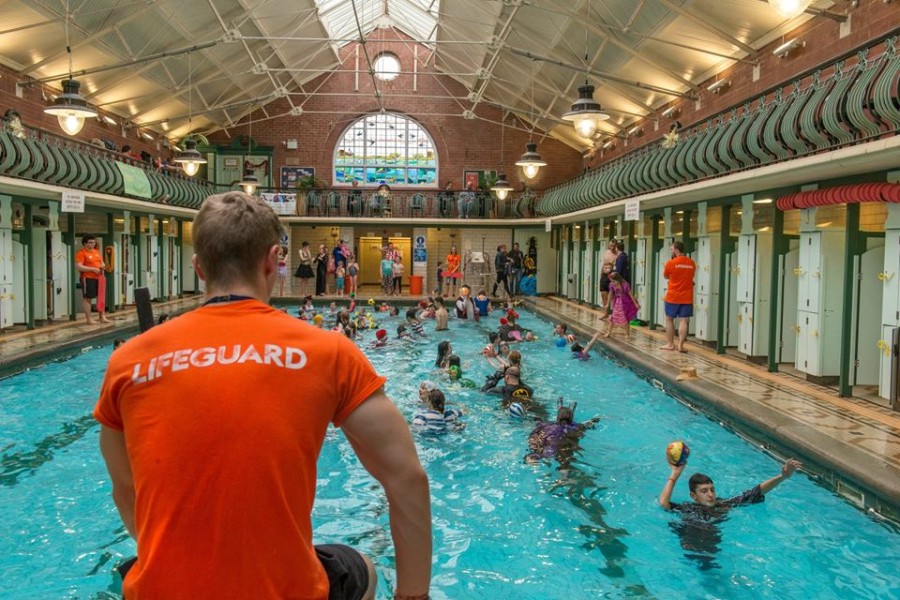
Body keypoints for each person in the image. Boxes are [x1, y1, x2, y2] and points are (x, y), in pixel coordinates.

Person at [94, 191, 431, 600]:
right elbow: (407, 479)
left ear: (199, 267)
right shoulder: (327, 351)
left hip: (158, 590)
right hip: (286, 589)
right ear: (273, 259)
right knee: (364, 569)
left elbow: (125, 489)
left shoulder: (128, 361)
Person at [525, 399, 600, 464]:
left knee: (540, 452)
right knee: (563, 458)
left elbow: (538, 423)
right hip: (558, 446)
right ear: (571, 417)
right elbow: (587, 425)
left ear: (558, 417)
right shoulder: (574, 426)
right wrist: (595, 420)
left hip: (547, 441)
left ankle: (531, 458)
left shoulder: (548, 424)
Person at [662, 240, 696, 352]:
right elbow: (691, 277)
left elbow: (666, 276)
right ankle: (681, 345)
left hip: (673, 296)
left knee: (669, 319)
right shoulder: (691, 263)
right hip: (687, 296)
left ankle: (670, 344)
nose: (671, 251)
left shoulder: (670, 263)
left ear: (676, 250)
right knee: (684, 320)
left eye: (672, 249)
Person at [75, 235, 111, 324]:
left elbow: (101, 262)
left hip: (99, 277)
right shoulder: (81, 253)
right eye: (90, 242)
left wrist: (103, 266)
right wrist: (92, 269)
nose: (93, 244)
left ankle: (102, 316)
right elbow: (79, 266)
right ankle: (89, 319)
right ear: (85, 243)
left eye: (94, 242)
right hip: (88, 278)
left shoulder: (97, 252)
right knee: (88, 298)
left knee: (101, 297)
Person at [598, 240, 618, 317]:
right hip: (604, 275)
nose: (612, 247)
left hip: (611, 275)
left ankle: (613, 312)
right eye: (611, 246)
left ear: (616, 246)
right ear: (609, 246)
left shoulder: (617, 254)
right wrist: (601, 274)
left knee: (612, 294)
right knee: (603, 293)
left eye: (613, 246)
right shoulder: (606, 252)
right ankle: (605, 312)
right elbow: (604, 263)